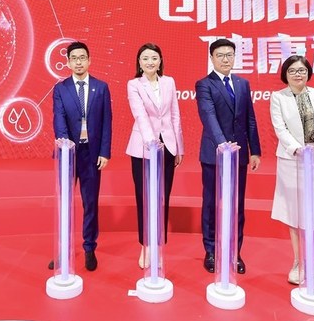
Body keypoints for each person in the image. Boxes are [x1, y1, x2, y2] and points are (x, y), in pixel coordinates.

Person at [269, 55, 314, 284]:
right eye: (292, 71)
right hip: (293, 162)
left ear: (308, 72)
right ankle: (298, 262)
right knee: (295, 214)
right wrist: (298, 150)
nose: (297, 74)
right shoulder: (278, 98)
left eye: (301, 70)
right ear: (285, 74)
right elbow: (280, 129)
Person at [195, 38, 261, 274]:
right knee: (212, 205)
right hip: (214, 155)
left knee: (236, 206)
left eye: (229, 55)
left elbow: (250, 118)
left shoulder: (243, 84)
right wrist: (223, 145)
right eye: (220, 55)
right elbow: (208, 116)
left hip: (240, 155)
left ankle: (234, 251)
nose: (225, 59)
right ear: (212, 58)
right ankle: (211, 250)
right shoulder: (204, 84)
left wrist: (255, 150)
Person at [52, 41, 112, 271]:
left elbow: (107, 121)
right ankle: (63, 250)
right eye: (74, 58)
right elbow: (59, 118)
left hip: (92, 154)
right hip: (68, 154)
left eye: (82, 58)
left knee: (90, 202)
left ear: (89, 60)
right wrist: (65, 145)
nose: (78, 62)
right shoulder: (61, 89)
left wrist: (104, 151)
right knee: (65, 203)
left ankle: (89, 248)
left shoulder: (101, 87)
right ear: (68, 63)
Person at [126, 43, 184, 269]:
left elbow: (175, 115)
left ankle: (158, 246)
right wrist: (152, 143)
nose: (150, 62)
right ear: (139, 63)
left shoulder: (169, 82)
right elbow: (140, 115)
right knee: (144, 198)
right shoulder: (134, 85)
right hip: (143, 149)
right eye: (145, 58)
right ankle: (146, 246)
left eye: (154, 58)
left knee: (162, 198)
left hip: (168, 147)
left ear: (160, 61)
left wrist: (178, 147)